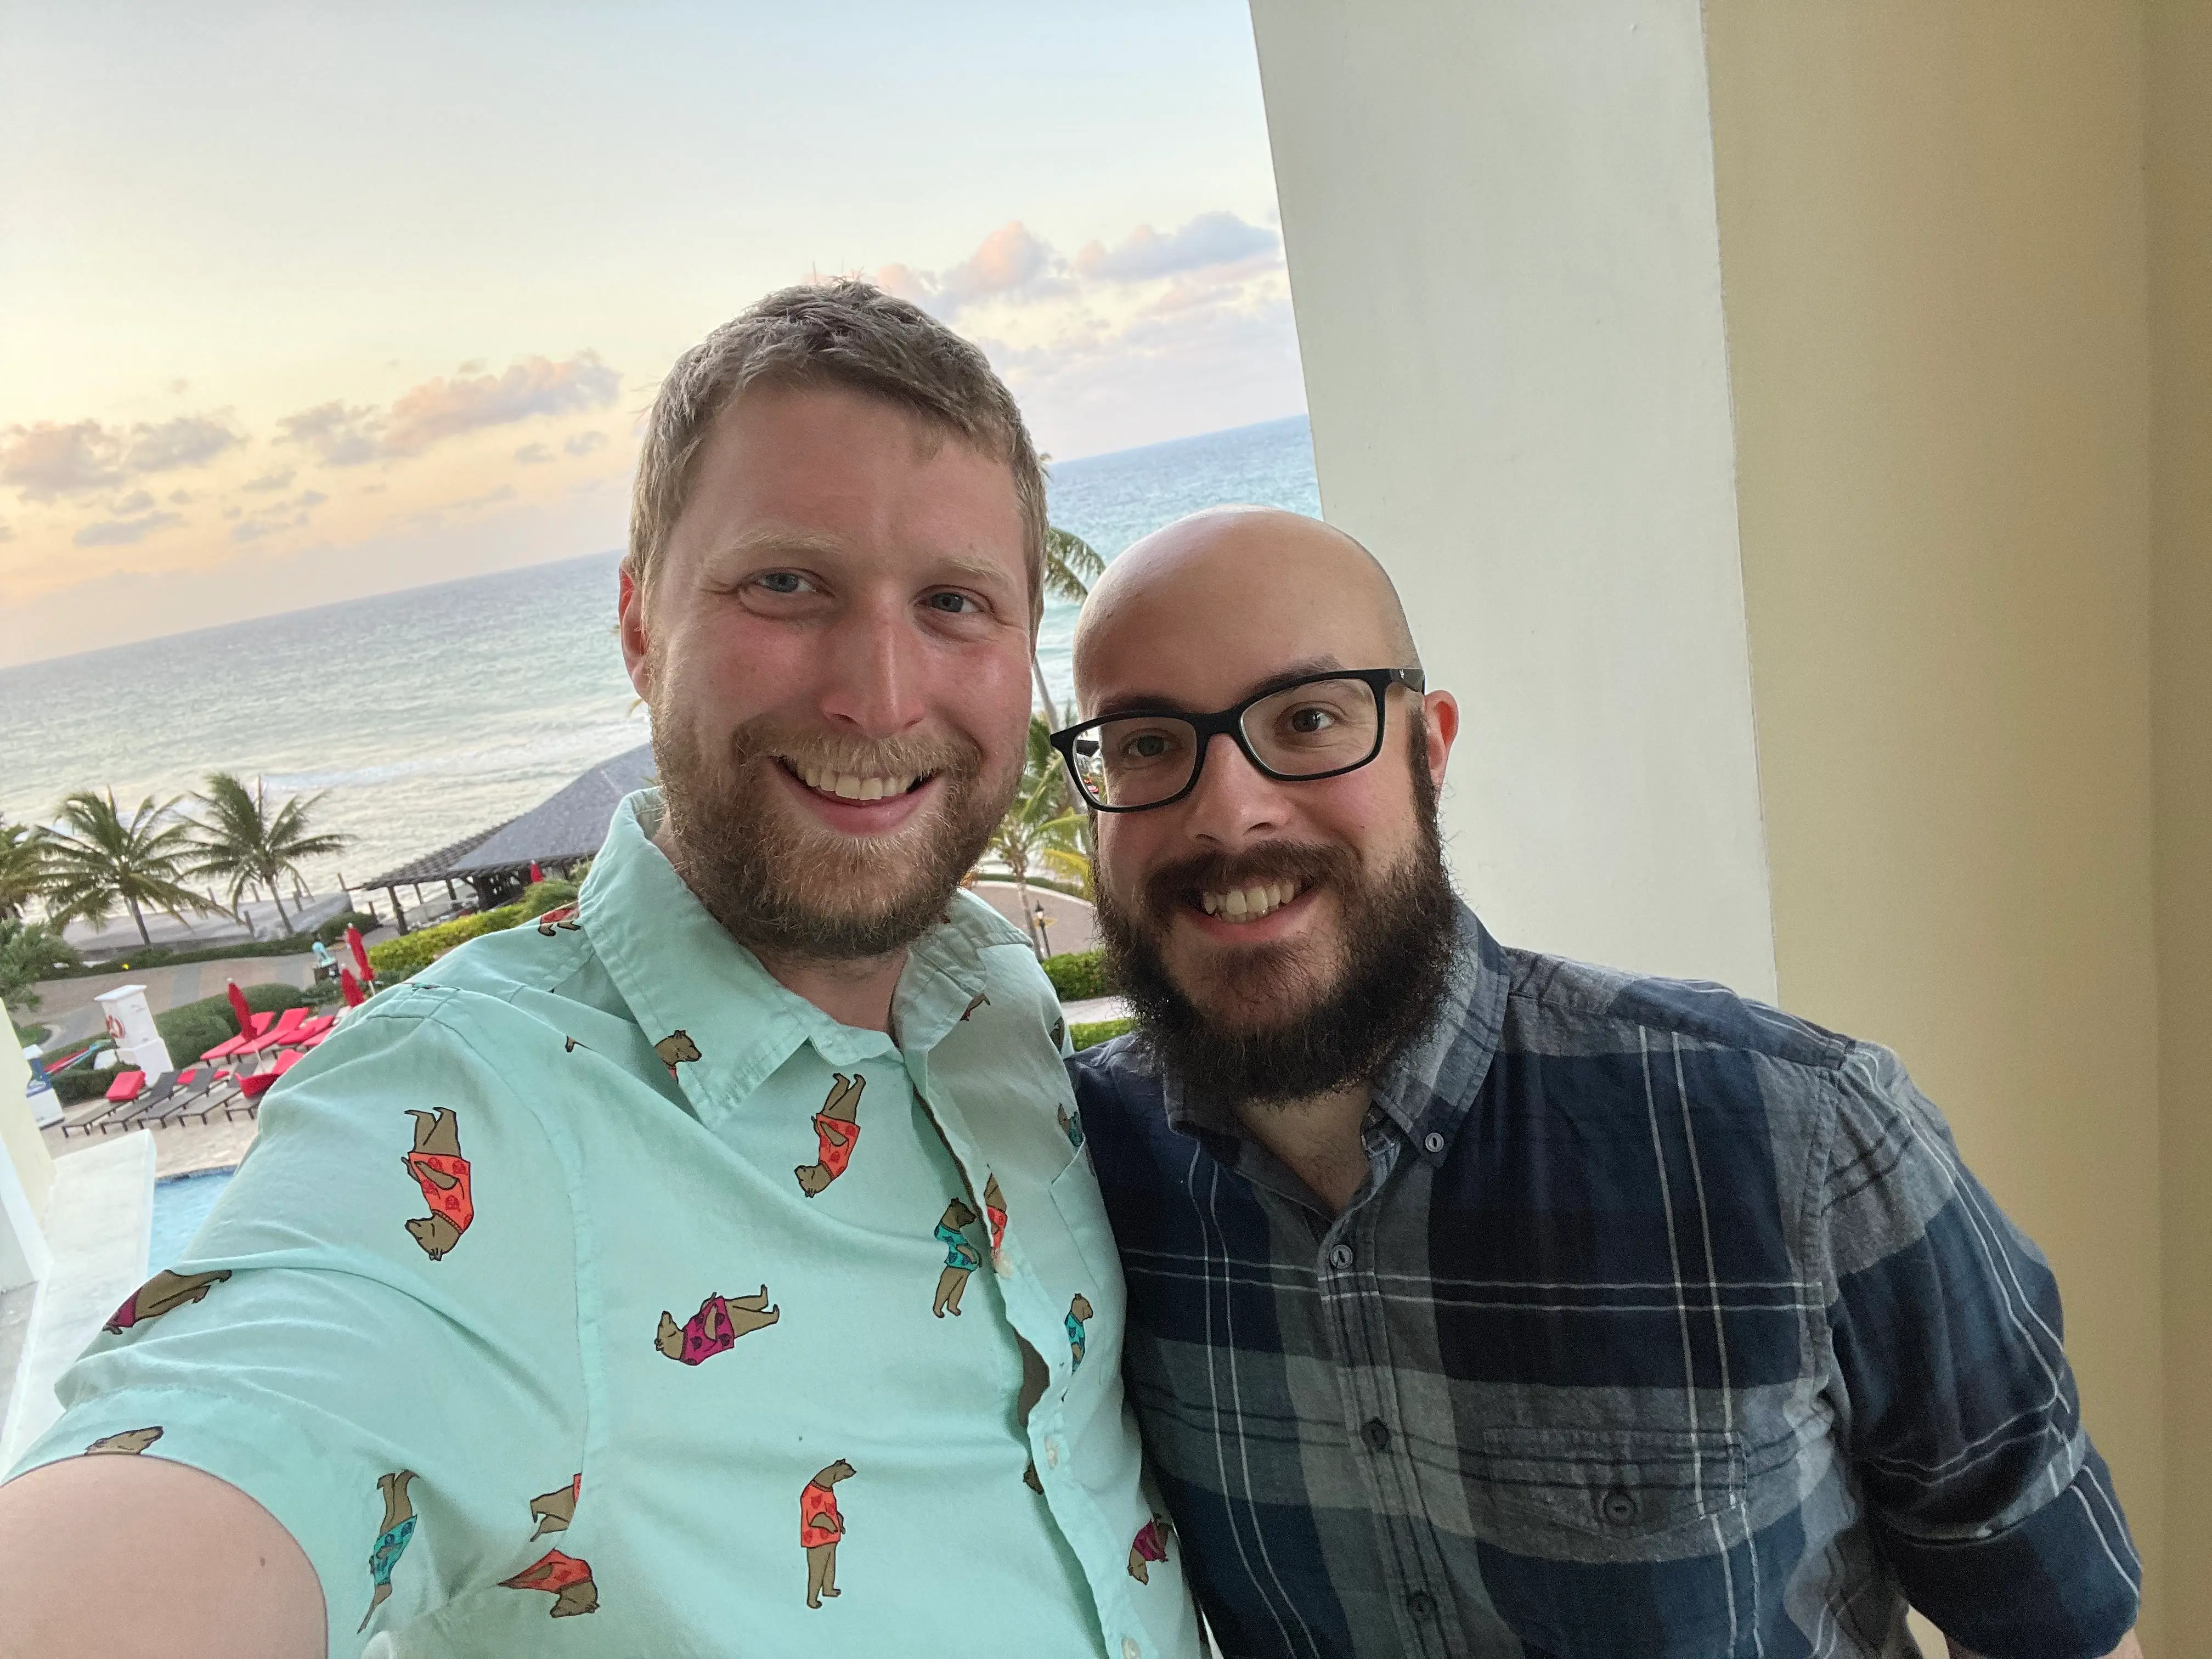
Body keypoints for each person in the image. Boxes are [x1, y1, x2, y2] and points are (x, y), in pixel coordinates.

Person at [0, 282, 1201, 1659]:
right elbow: (242, 1426)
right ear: (639, 628)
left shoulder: (992, 996)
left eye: (954, 602)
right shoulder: (476, 1117)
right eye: (786, 583)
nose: (879, 691)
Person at [1060, 506, 2143, 1659]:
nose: (1229, 812)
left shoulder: (1800, 1138)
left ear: (1429, 748)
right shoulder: (1071, 1179)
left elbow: (2051, 1628)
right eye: (1146, 745)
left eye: (1311, 718)